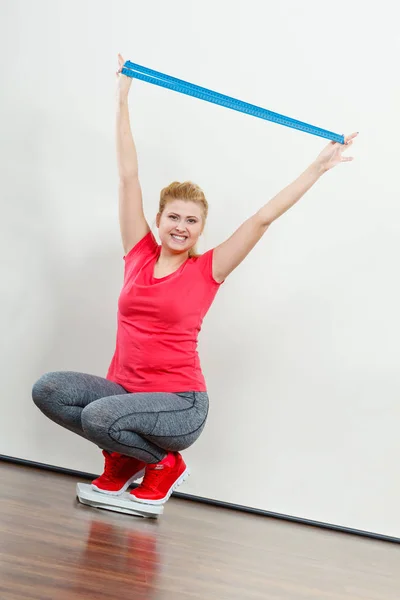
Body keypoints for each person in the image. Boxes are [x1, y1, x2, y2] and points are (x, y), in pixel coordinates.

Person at [32, 54, 358, 506]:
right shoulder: (139, 253)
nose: (181, 226)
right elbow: (128, 176)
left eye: (191, 220)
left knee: (100, 417)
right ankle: (128, 460)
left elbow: (262, 219)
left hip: (180, 405)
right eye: (174, 217)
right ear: (160, 219)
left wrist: (318, 168)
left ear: (200, 228)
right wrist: (123, 99)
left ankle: (165, 465)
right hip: (125, 393)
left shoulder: (209, 270)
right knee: (49, 389)